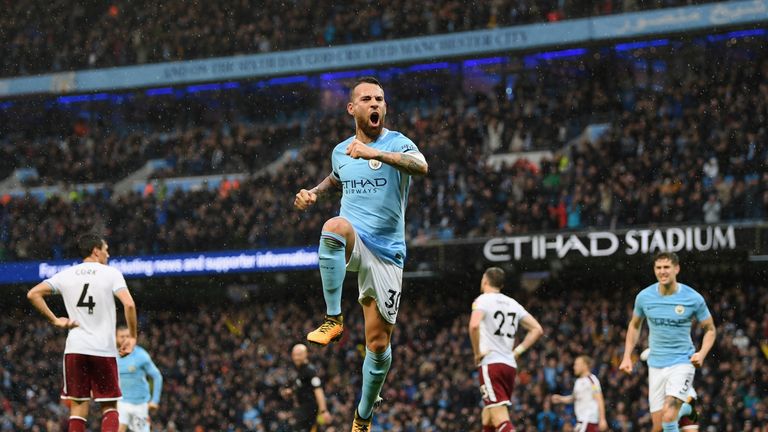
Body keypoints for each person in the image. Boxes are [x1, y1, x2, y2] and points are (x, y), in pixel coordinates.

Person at [294, 76, 428, 430]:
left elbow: (422, 166)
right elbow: (338, 176)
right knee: (333, 227)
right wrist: (315, 192)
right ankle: (334, 319)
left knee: (378, 345)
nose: (375, 104)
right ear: (351, 108)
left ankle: (363, 415)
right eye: (367, 99)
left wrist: (376, 153)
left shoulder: (398, 143)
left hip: (387, 253)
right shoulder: (341, 150)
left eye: (380, 99)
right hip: (356, 238)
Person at [27, 233, 137, 432]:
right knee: (110, 406)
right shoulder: (111, 273)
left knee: (78, 408)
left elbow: (33, 294)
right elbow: (129, 304)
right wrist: (132, 336)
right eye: (106, 249)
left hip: (76, 348)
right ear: (96, 251)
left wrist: (54, 320)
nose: (108, 254)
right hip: (103, 348)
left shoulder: (66, 274)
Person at [619, 252, 716, 432]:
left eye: (666, 267)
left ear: (676, 269)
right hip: (655, 365)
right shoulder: (644, 297)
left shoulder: (693, 298)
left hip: (682, 362)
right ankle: (688, 404)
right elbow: (634, 326)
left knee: (669, 415)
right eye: (658, 268)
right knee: (658, 427)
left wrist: (702, 353)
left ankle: (686, 405)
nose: (662, 272)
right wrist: (626, 356)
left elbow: (710, 329)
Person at [468, 267, 544, 432]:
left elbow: (474, 326)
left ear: (485, 280)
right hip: (509, 366)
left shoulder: (482, 300)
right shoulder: (512, 303)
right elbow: (537, 329)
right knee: (488, 413)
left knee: (500, 418)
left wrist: (477, 353)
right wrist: (517, 352)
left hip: (491, 363)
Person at [116, 326, 163, 432]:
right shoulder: (111, 355)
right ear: (116, 338)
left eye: (127, 336)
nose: (125, 339)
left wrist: (155, 400)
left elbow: (157, 376)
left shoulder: (141, 355)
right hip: (121, 402)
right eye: (121, 336)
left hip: (140, 405)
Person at [551, 355, 608, 431]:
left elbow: (599, 399)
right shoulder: (578, 381)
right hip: (581, 421)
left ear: (584, 365)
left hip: (589, 420)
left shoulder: (592, 380)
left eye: (576, 364)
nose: (574, 367)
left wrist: (602, 419)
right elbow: (574, 398)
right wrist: (560, 399)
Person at [283, 344, 332, 431]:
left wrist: (323, 411)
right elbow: (301, 387)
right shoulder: (300, 371)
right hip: (303, 410)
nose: (296, 358)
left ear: (305, 354)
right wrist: (290, 391)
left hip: (310, 411)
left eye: (299, 354)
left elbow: (318, 390)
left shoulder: (310, 370)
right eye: (294, 355)